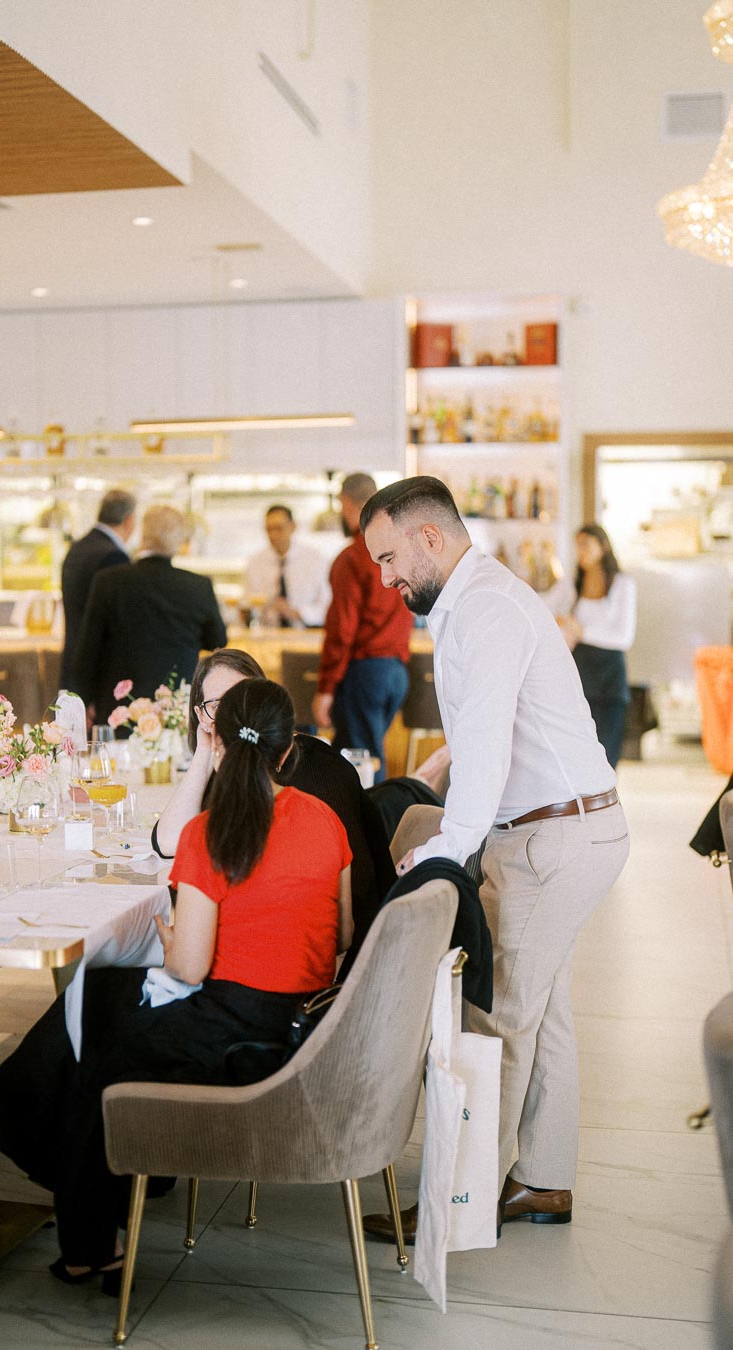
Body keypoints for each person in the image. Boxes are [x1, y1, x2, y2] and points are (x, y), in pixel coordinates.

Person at [0, 677, 353, 1287]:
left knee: (99, 1049)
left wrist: (174, 937)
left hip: (238, 1041)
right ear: (288, 753)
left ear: (219, 745)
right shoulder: (324, 821)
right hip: (302, 1024)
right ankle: (32, 1155)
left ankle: (79, 1233)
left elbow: (188, 968)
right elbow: (340, 934)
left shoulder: (209, 833)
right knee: (97, 993)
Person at [358, 476, 629, 1243]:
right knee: (545, 1016)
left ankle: (458, 1204)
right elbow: (485, 729)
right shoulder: (480, 600)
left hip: (551, 840)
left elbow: (487, 756)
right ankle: (544, 1179)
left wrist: (441, 852)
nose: (386, 579)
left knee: (496, 1021)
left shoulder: (483, 609)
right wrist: (438, 772)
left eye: (389, 558)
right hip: (574, 827)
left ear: (430, 537)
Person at [153, 648, 395, 971]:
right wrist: (204, 752)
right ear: (202, 716)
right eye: (219, 706)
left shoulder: (316, 772)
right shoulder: (223, 778)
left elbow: (348, 914)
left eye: (245, 697)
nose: (236, 715)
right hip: (297, 978)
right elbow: (169, 842)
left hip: (342, 968)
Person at [73, 504, 227, 721]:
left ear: (143, 534)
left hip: (119, 707)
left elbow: (88, 649)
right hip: (176, 706)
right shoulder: (198, 586)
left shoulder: (108, 581)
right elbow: (217, 640)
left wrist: (84, 699)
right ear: (178, 541)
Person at [312, 473, 413, 782]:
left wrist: (326, 688)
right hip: (396, 672)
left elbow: (342, 629)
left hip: (365, 673)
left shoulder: (352, 558)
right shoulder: (399, 552)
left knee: (364, 763)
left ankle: (373, 830)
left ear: (346, 503)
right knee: (358, 757)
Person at [543, 524, 637, 770]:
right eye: (577, 546)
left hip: (610, 680)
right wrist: (562, 621)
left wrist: (580, 630)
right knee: (578, 756)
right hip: (579, 678)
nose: (580, 552)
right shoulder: (572, 584)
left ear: (603, 546)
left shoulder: (622, 584)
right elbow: (542, 605)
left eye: (586, 544)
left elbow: (624, 637)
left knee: (607, 757)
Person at [59, 489, 136, 690]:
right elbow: (117, 621)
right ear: (129, 520)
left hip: (72, 663)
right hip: (99, 673)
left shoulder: (77, 548)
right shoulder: (114, 556)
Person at [243, 504, 331, 628]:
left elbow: (327, 607)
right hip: (268, 634)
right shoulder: (255, 562)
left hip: (306, 633)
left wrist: (296, 613)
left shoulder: (316, 559)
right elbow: (248, 602)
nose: (273, 535)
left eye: (279, 528)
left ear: (293, 527)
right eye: (269, 529)